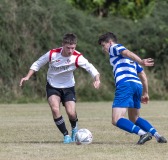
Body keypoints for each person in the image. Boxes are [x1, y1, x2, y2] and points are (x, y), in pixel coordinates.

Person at [19, 33, 100, 144]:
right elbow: (37, 64)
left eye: (73, 48)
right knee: (55, 109)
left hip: (68, 87)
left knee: (71, 112)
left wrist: (97, 79)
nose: (70, 51)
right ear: (63, 45)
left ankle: (74, 128)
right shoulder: (52, 54)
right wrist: (27, 77)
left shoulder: (77, 57)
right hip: (53, 86)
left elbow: (91, 68)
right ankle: (66, 135)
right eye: (68, 48)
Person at [98, 32, 167, 144]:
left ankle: (143, 134)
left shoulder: (114, 47)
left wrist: (141, 61)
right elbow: (143, 76)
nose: (103, 49)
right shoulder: (130, 60)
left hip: (125, 84)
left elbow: (126, 52)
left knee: (116, 119)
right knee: (134, 118)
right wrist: (145, 93)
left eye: (103, 45)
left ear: (110, 42)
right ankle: (158, 136)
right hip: (137, 85)